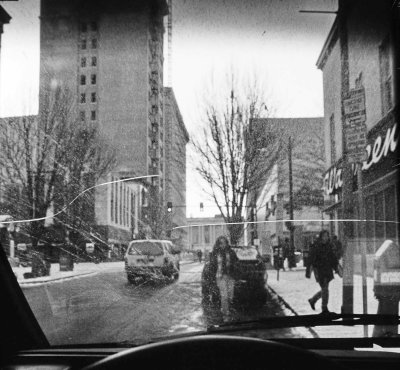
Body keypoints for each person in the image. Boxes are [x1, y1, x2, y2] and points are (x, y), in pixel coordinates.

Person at [307, 230, 340, 314]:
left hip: (327, 270)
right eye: (324, 236)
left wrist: (336, 268)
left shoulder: (329, 246)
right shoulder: (316, 246)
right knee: (325, 289)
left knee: (324, 289)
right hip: (319, 270)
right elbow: (311, 259)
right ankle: (324, 308)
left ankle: (313, 300)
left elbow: (333, 258)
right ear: (321, 237)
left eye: (327, 236)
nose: (325, 238)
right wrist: (309, 271)